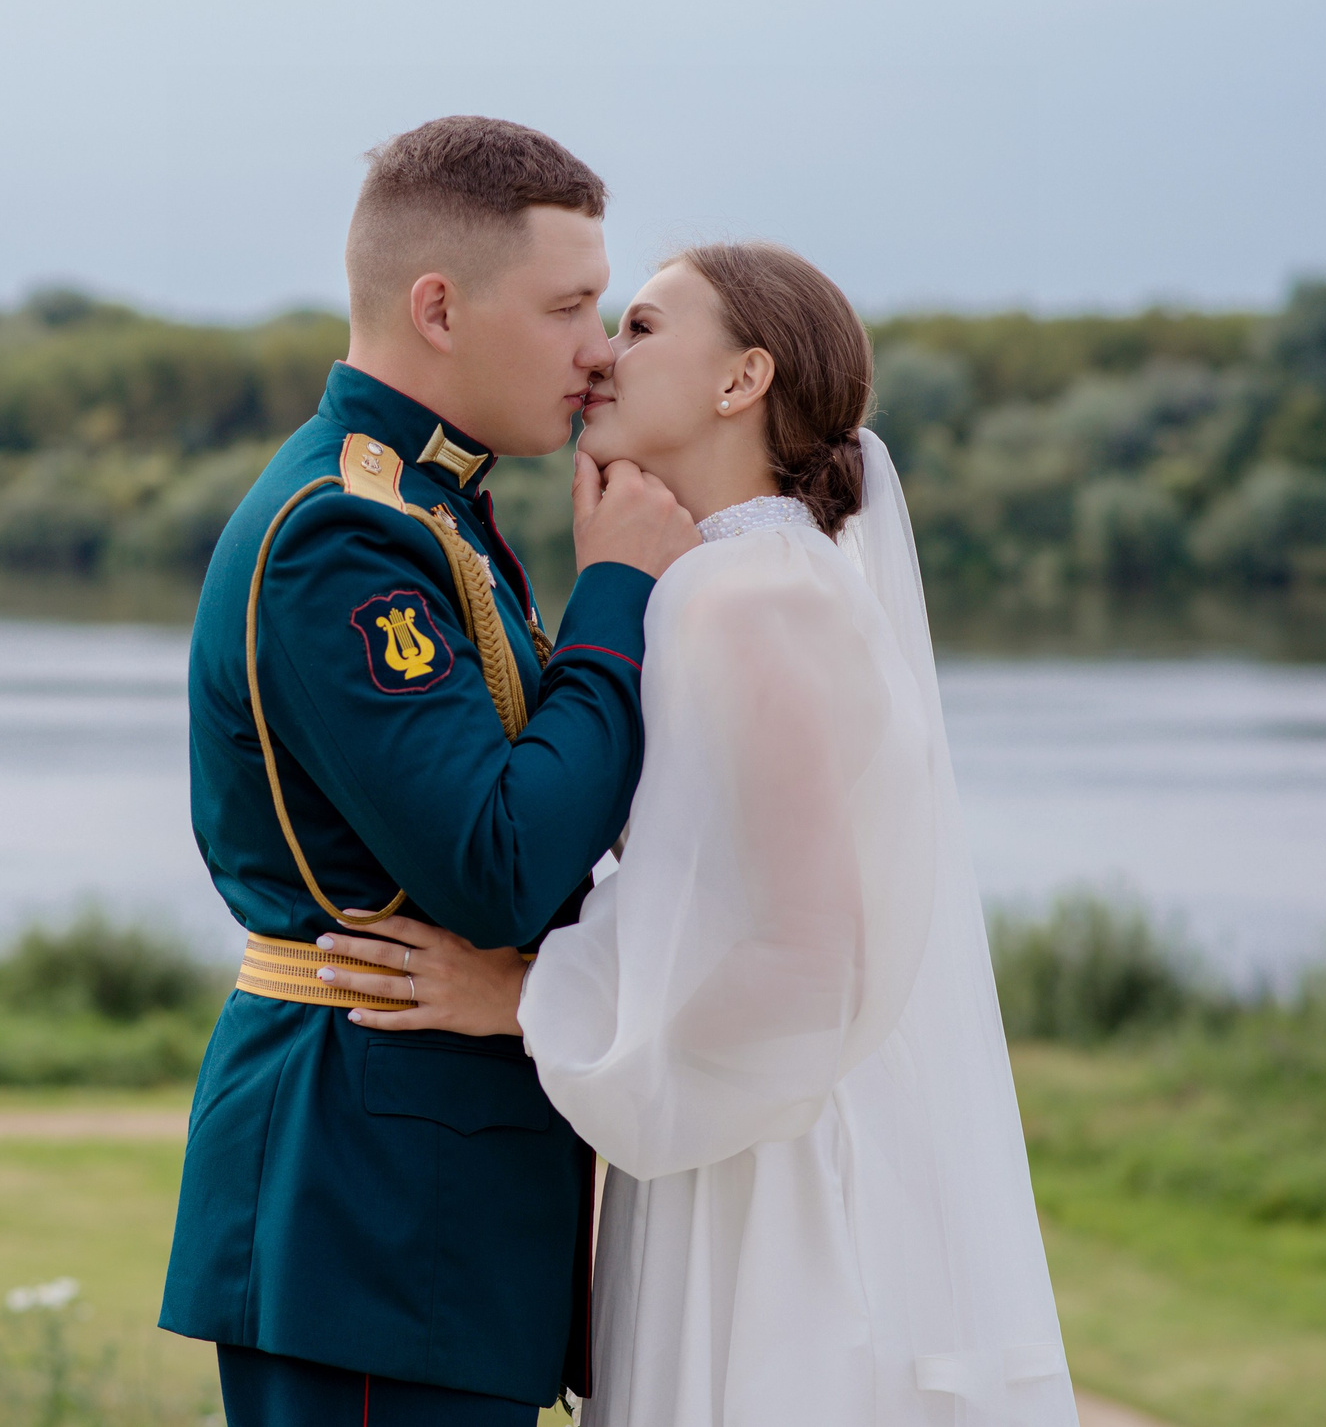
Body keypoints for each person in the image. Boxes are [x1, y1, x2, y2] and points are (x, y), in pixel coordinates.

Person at [316, 243, 1081, 1426]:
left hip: (761, 1180)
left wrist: (524, 994)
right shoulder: (748, 578)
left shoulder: (748, 598)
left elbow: (806, 951)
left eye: (642, 327)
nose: (599, 358)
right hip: (722, 1123)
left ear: (742, 382)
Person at [158, 116, 702, 1425]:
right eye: (571, 304)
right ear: (439, 306)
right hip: (369, 1203)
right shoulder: (344, 533)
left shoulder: (429, 505)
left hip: (421, 1206)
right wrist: (618, 594)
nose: (596, 345)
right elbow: (501, 862)